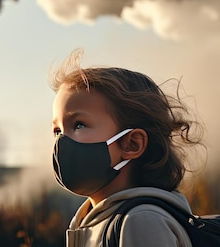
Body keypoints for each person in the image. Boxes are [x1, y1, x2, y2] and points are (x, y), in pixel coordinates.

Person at [51, 49, 203, 247]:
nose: (61, 141)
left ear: (131, 144)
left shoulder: (142, 222)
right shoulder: (93, 221)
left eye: (79, 125)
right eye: (57, 130)